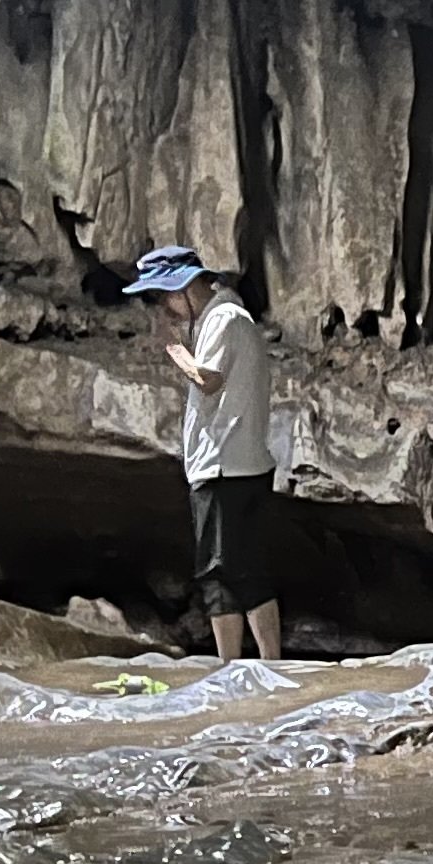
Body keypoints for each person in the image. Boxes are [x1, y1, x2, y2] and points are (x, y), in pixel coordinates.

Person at [125, 244, 286, 662]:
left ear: (183, 288)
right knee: (240, 572)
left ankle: (244, 666)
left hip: (224, 466)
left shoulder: (223, 318)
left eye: (164, 297)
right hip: (234, 463)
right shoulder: (226, 318)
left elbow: (207, 380)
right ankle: (250, 665)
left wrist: (173, 348)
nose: (164, 308)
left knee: (223, 574)